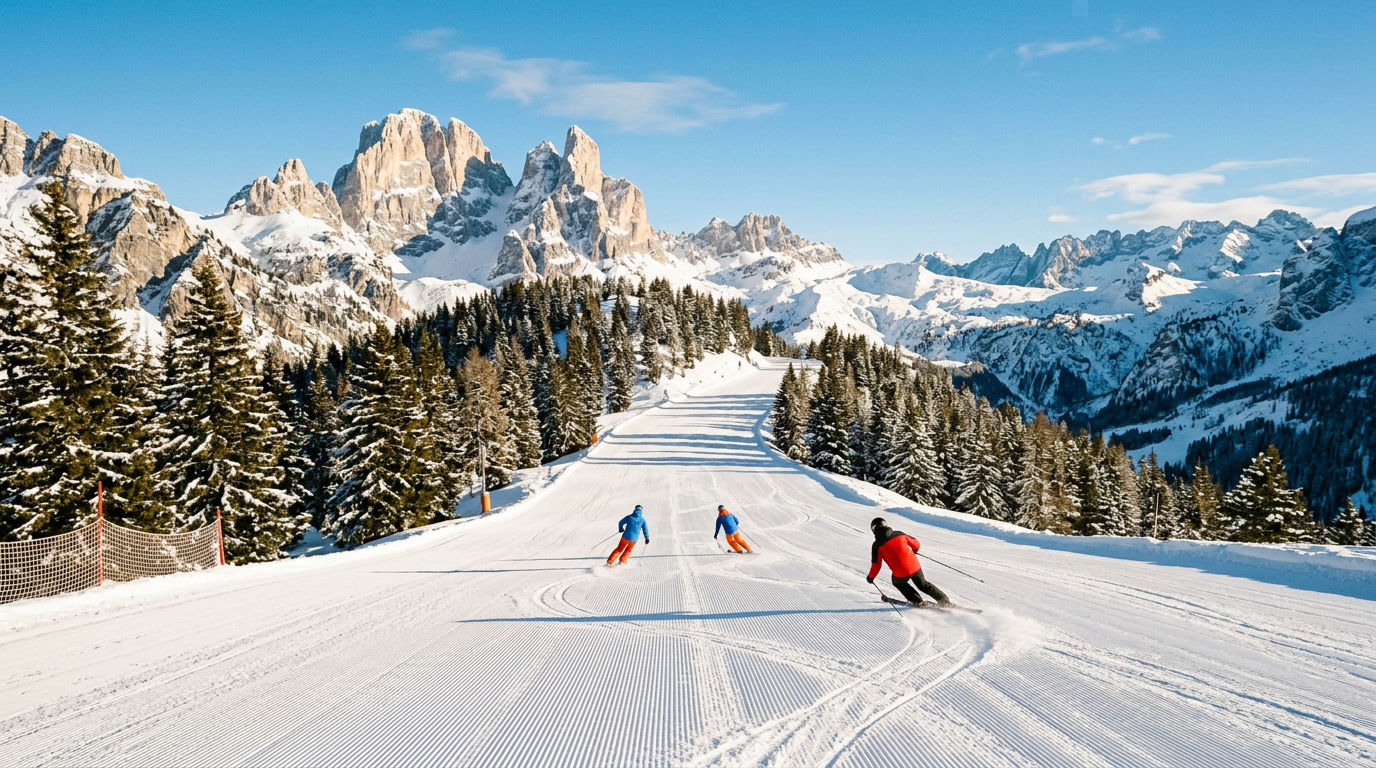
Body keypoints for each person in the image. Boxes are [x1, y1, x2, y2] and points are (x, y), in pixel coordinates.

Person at [865, 517, 950, 607]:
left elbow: (876, 565)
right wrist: (915, 550)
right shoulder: (899, 534)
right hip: (914, 566)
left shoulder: (876, 546)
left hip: (900, 573)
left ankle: (917, 601)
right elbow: (916, 543)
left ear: (874, 530)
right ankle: (944, 601)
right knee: (923, 584)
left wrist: (870, 578)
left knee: (898, 583)